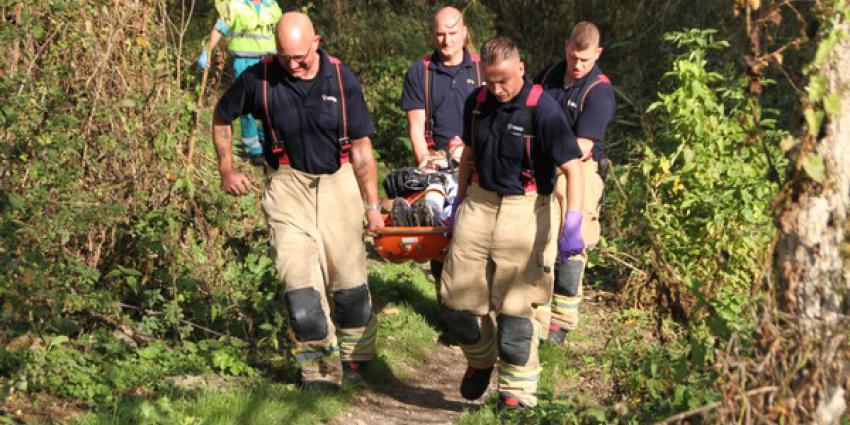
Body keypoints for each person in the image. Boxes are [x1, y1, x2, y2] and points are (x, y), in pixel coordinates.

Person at [211, 12, 383, 391]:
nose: (294, 64)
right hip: (287, 186)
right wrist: (227, 168)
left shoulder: (341, 78)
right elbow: (221, 116)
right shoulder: (259, 78)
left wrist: (372, 206)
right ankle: (319, 373)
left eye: (301, 56)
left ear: (316, 42)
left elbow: (361, 149)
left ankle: (356, 357)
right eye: (285, 57)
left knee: (349, 283)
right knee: (300, 288)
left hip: (338, 183)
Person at [439, 36, 585, 409]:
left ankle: (516, 399)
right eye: (490, 81)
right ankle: (479, 359)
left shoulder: (544, 111)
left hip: (527, 207)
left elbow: (572, 168)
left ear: (521, 68)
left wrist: (572, 222)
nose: (498, 89)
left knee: (516, 313)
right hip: (480, 204)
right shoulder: (477, 103)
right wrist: (457, 202)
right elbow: (469, 154)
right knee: (455, 306)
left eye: (504, 79)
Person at [533, 21, 616, 344]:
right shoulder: (548, 75)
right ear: (566, 47)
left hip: (579, 169)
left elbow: (581, 147)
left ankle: (562, 321)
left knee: (571, 243)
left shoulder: (600, 92)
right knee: (538, 240)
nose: (577, 65)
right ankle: (535, 312)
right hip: (545, 165)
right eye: (572, 57)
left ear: (597, 53)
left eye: (584, 59)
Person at [398, 6, 483, 301]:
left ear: (464, 32)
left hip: (476, 161)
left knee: (473, 235)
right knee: (439, 235)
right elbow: (416, 126)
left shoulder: (482, 69)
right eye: (440, 35)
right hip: (436, 160)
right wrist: (426, 161)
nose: (446, 42)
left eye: (452, 34)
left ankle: (473, 305)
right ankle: (446, 303)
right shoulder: (420, 73)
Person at [198, 0, 282, 165]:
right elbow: (219, 28)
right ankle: (252, 148)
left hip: (270, 61)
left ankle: (267, 139)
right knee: (248, 105)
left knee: (271, 103)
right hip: (244, 62)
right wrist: (207, 50)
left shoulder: (272, 5)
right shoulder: (235, 5)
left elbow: (281, 30)